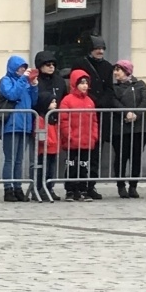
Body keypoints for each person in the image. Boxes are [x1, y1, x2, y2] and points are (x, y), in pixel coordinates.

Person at [0, 56, 36, 202]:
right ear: (14, 67)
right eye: (20, 67)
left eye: (25, 67)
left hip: (24, 124)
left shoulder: (24, 82)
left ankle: (18, 188)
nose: (23, 70)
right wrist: (23, 80)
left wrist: (34, 86)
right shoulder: (6, 80)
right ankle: (8, 189)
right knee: (10, 159)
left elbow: (33, 101)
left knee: (19, 160)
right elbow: (12, 95)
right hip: (11, 125)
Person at [58, 69, 100, 201]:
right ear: (74, 84)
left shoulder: (89, 101)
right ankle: (70, 190)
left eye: (86, 83)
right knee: (71, 167)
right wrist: (68, 135)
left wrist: (94, 136)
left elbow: (94, 121)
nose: (85, 86)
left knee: (83, 166)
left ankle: (83, 189)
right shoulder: (67, 100)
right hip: (72, 141)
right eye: (81, 83)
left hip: (86, 140)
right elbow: (64, 120)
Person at [111, 61, 146, 198]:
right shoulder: (114, 88)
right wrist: (126, 112)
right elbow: (114, 102)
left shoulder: (140, 85)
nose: (116, 73)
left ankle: (133, 186)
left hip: (139, 128)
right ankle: (121, 186)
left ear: (127, 71)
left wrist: (136, 114)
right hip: (121, 128)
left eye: (119, 70)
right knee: (121, 157)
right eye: (115, 70)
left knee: (136, 157)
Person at [30, 50, 65, 203]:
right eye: (48, 64)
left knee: (52, 158)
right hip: (41, 121)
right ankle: (38, 187)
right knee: (40, 158)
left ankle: (49, 186)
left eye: (53, 64)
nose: (51, 67)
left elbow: (62, 98)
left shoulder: (59, 81)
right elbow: (34, 99)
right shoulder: (36, 80)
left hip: (55, 122)